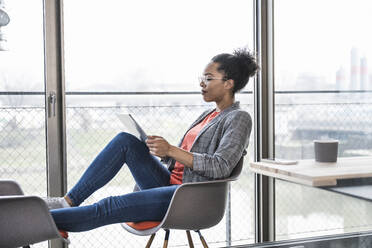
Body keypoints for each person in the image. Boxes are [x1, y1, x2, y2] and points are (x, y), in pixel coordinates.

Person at [47, 48, 259, 232]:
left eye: (209, 78)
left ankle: (41, 221)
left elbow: (221, 166)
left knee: (110, 205)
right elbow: (180, 162)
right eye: (201, 78)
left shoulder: (238, 118)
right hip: (168, 183)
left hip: (189, 197)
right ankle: (67, 203)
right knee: (125, 141)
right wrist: (159, 150)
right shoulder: (208, 115)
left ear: (228, 84)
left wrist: (171, 150)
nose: (202, 83)